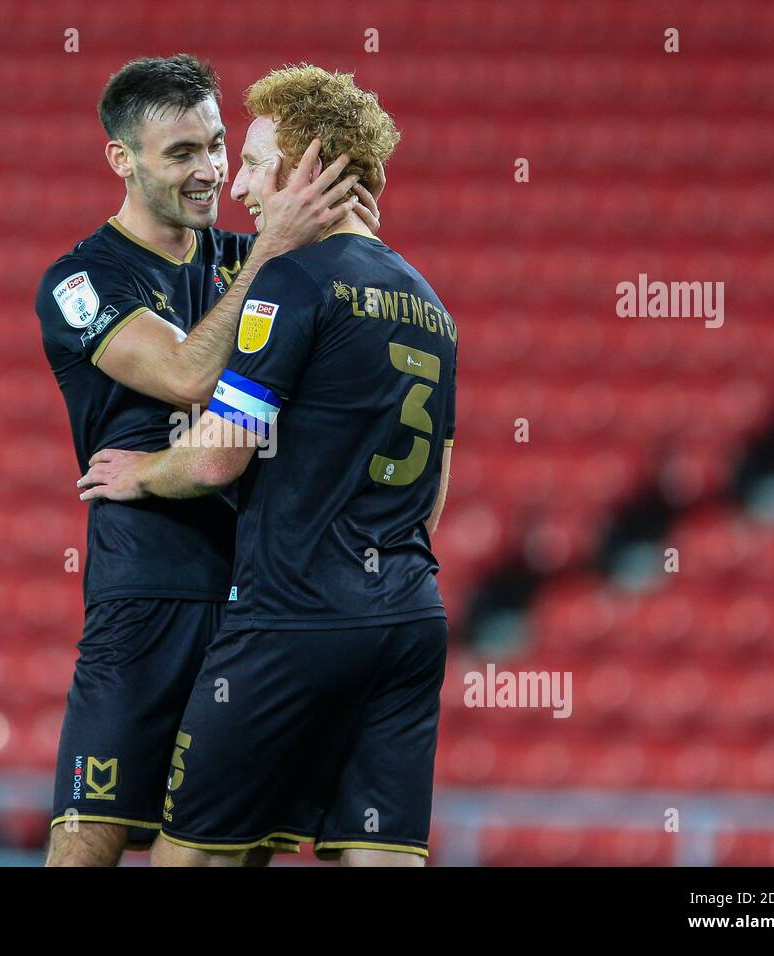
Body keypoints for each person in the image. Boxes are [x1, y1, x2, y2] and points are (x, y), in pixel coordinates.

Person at [77, 64, 456, 866]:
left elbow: (217, 460)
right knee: (380, 855)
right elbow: (434, 497)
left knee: (194, 857)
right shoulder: (432, 305)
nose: (237, 183)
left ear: (310, 165)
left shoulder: (288, 281)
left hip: (292, 617)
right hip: (412, 620)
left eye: (250, 160)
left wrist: (140, 473)